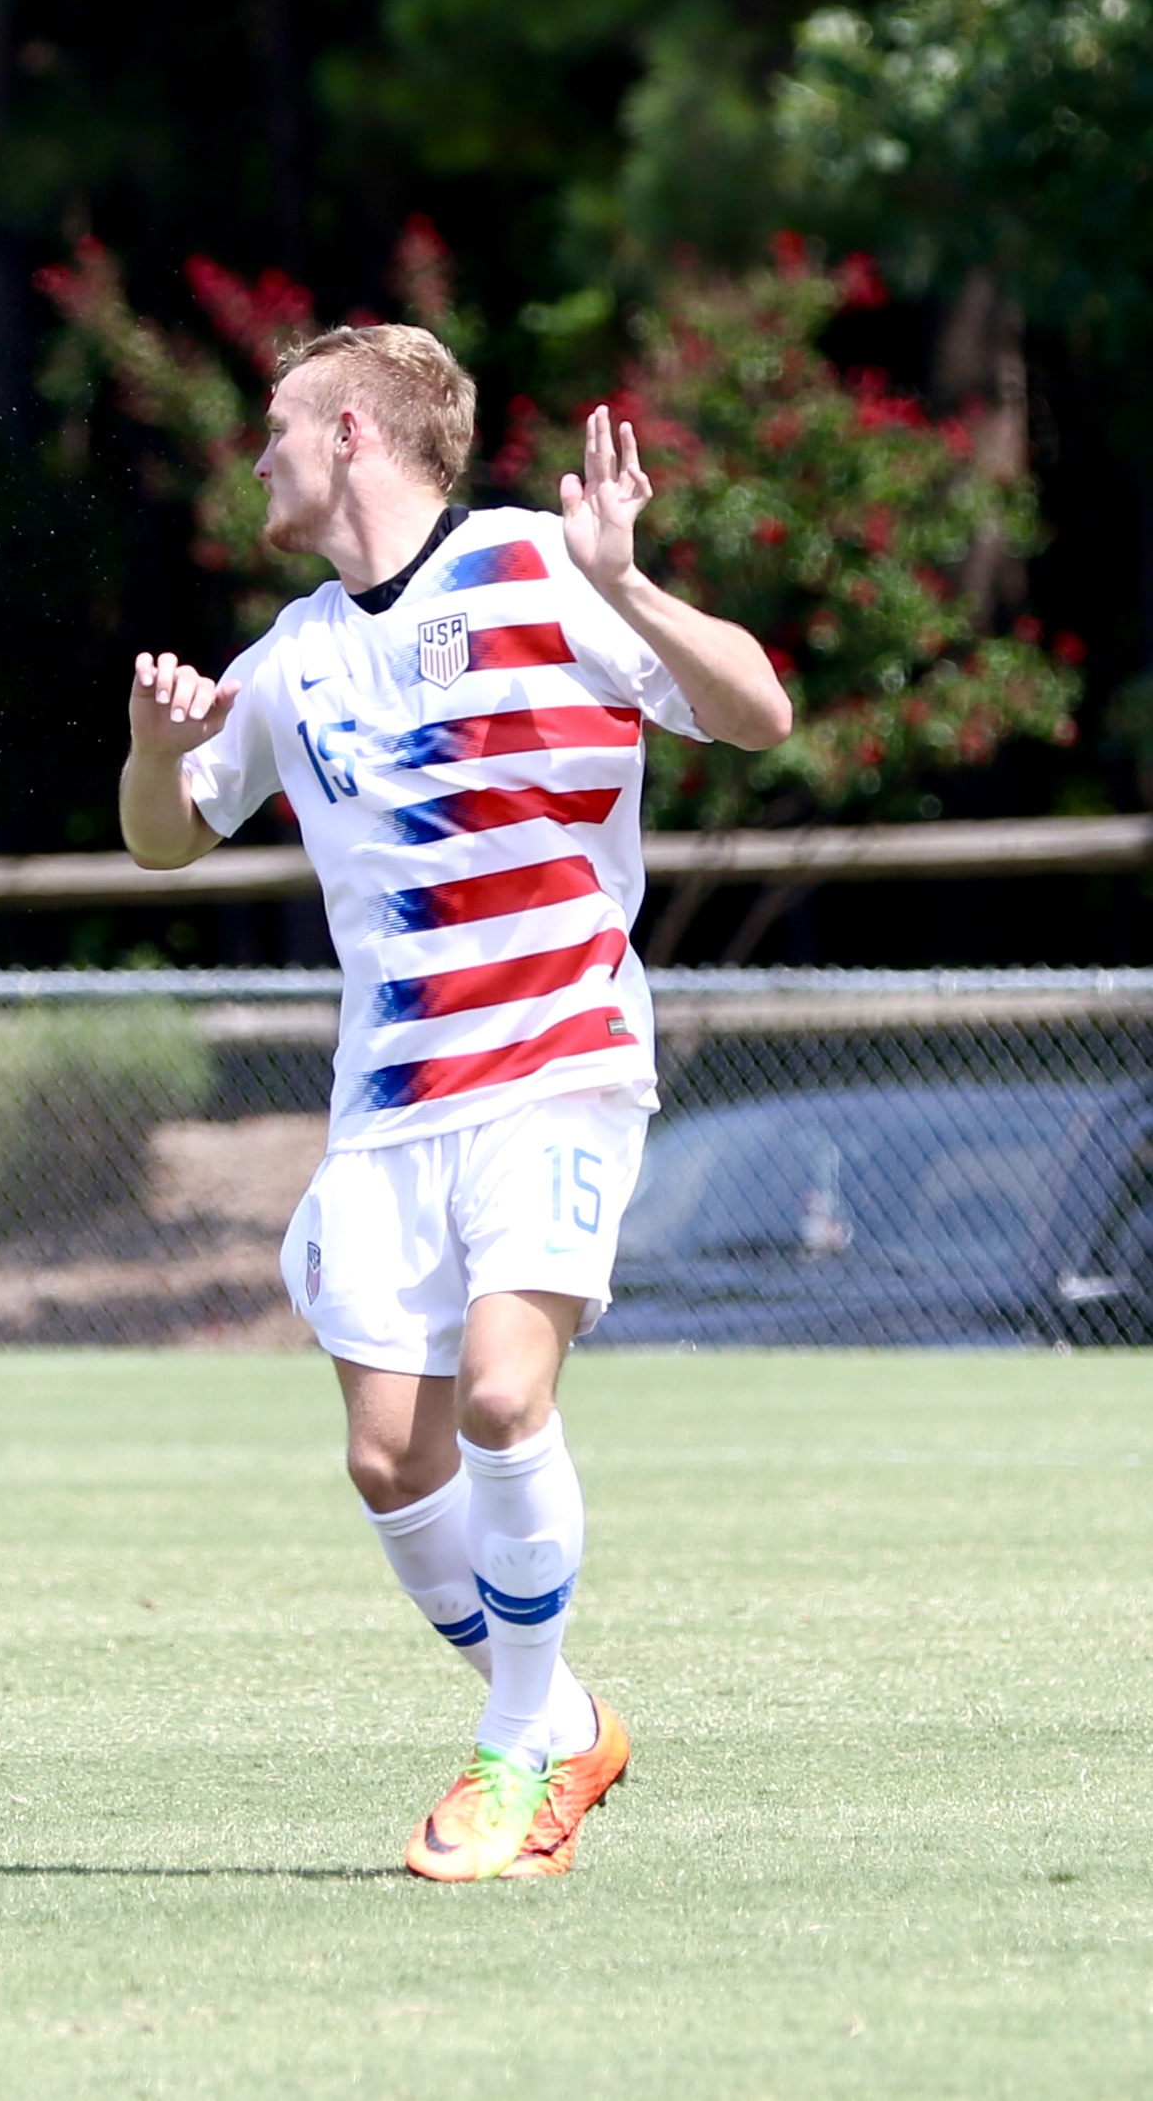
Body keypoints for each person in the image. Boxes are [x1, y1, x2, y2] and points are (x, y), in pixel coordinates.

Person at [119, 324, 793, 1881]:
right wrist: (159, 756)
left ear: (354, 433)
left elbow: (758, 710)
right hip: (390, 1110)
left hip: (559, 1064)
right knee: (386, 1459)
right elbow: (167, 842)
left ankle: (516, 1754)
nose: (260, 456)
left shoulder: (543, 567)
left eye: (276, 426)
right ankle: (558, 1717)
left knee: (503, 1395)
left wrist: (626, 583)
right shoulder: (288, 655)